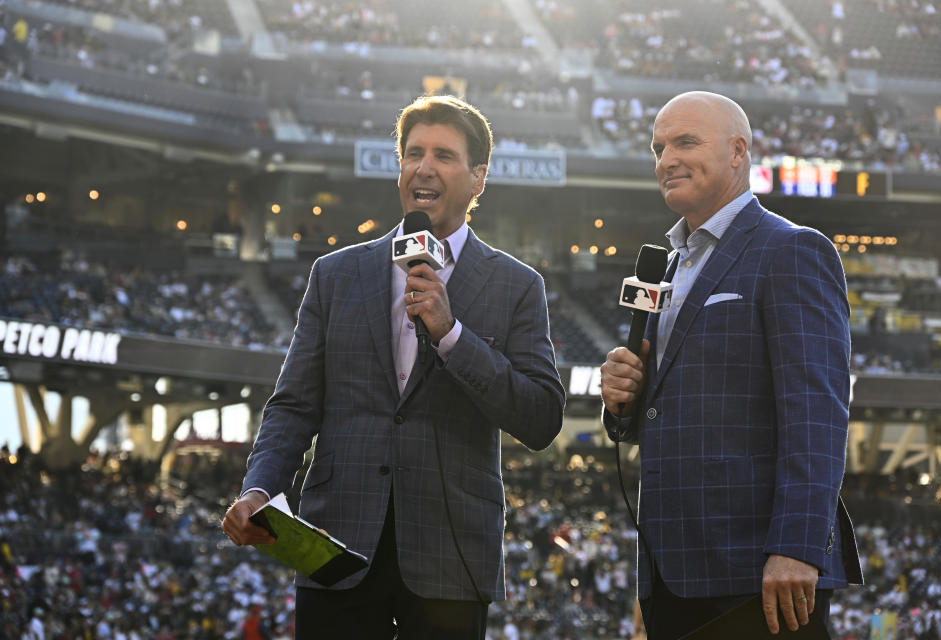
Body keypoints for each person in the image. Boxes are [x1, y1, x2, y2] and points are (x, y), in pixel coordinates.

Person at [221, 95, 565, 639]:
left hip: (451, 554)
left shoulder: (517, 286)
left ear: (479, 178)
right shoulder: (336, 275)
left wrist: (452, 336)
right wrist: (260, 488)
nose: (424, 168)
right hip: (338, 546)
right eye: (413, 153)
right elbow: (294, 404)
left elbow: (541, 417)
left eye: (444, 156)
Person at [599, 91, 863, 639]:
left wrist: (796, 548)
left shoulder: (791, 251)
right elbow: (663, 410)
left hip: (759, 571)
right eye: (658, 147)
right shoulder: (667, 266)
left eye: (685, 142)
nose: (666, 158)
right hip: (673, 571)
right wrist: (624, 398)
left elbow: (816, 414)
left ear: (738, 151)